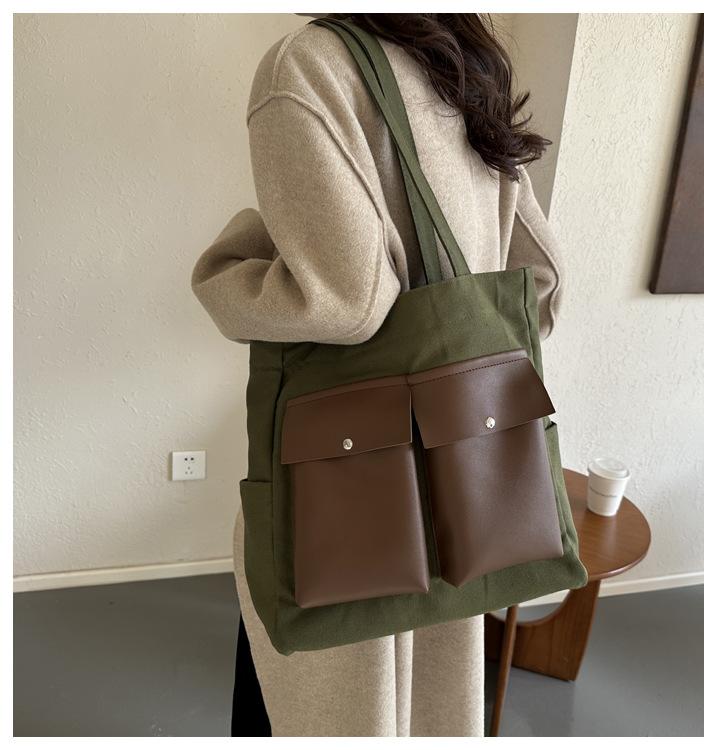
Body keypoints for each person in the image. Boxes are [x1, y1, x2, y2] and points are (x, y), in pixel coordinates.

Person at [191, 13, 564, 737]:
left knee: (335, 704)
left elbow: (347, 300)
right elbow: (542, 285)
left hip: (348, 483)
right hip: (462, 473)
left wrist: (230, 268)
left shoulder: (307, 67)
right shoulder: (465, 61)